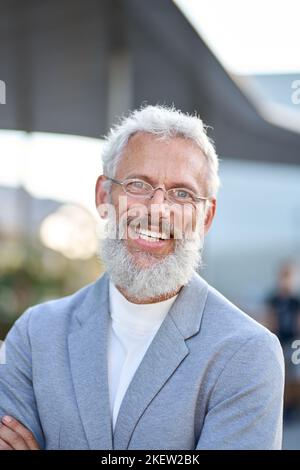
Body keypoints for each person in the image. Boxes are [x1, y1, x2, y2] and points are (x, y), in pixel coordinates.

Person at [0, 105, 284, 450]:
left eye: (182, 193)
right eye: (138, 184)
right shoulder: (35, 335)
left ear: (205, 217)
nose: (157, 209)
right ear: (104, 196)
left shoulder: (246, 352)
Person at [265, 262, 300, 418]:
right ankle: (283, 406)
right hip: (279, 340)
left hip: (293, 341)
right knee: (280, 374)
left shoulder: (295, 300)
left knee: (293, 375)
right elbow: (270, 320)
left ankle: (292, 406)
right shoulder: (274, 299)